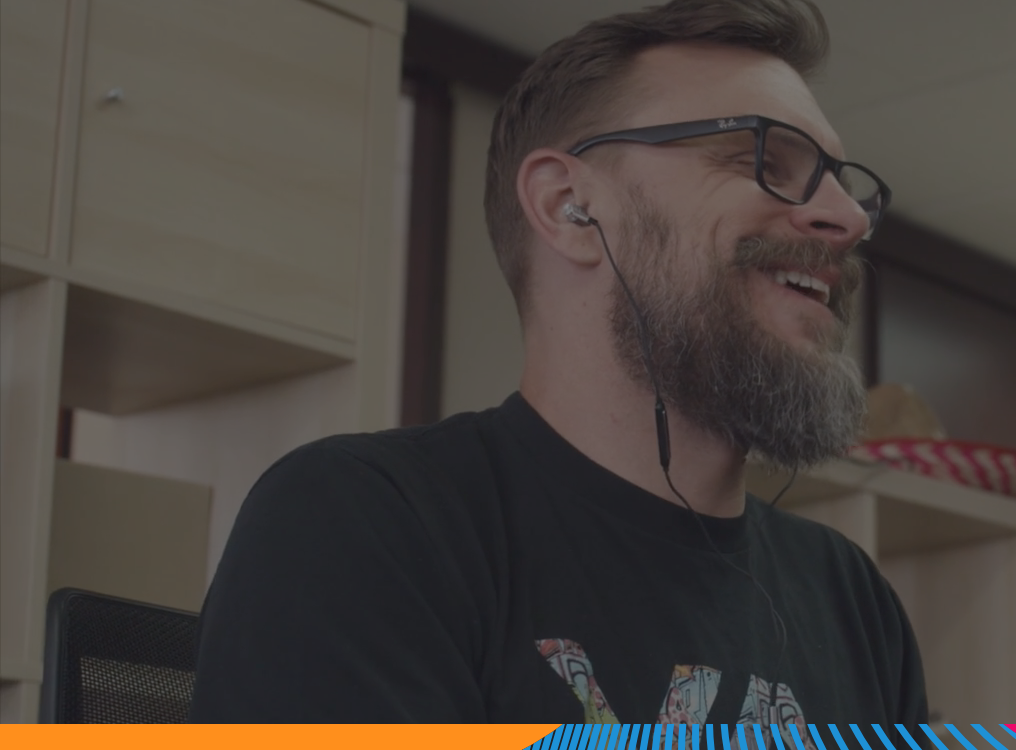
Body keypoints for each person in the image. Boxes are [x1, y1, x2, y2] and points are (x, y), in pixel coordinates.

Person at [188, 0, 927, 731]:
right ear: (570, 206)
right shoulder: (366, 524)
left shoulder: (852, 601)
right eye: (761, 160)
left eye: (844, 184)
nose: (848, 219)